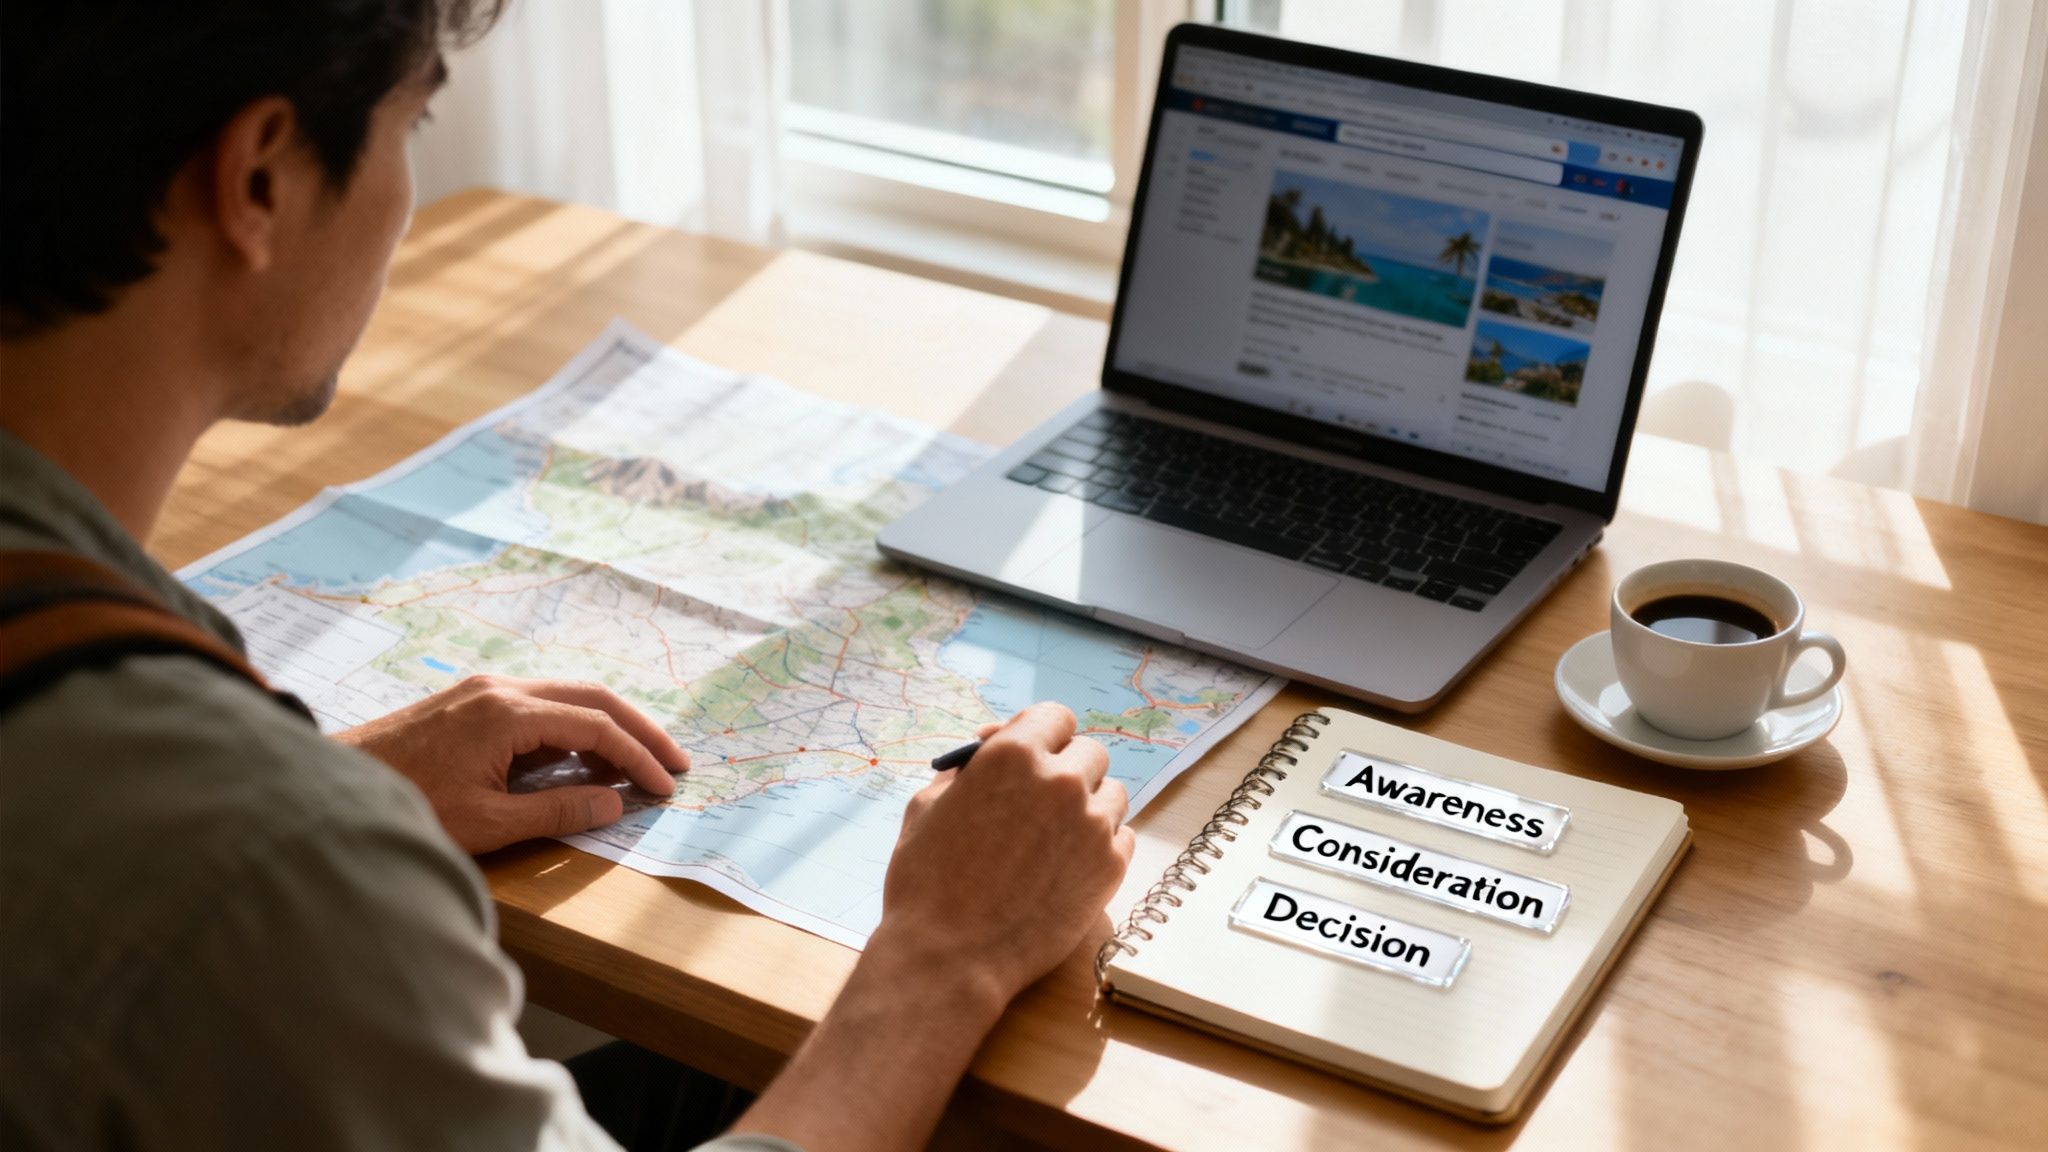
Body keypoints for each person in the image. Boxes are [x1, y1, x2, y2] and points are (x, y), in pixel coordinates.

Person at [0, 4, 1135, 1150]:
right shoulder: (264, 870)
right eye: (417, 124)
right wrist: (948, 952)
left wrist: (355, 786)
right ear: (256, 181)